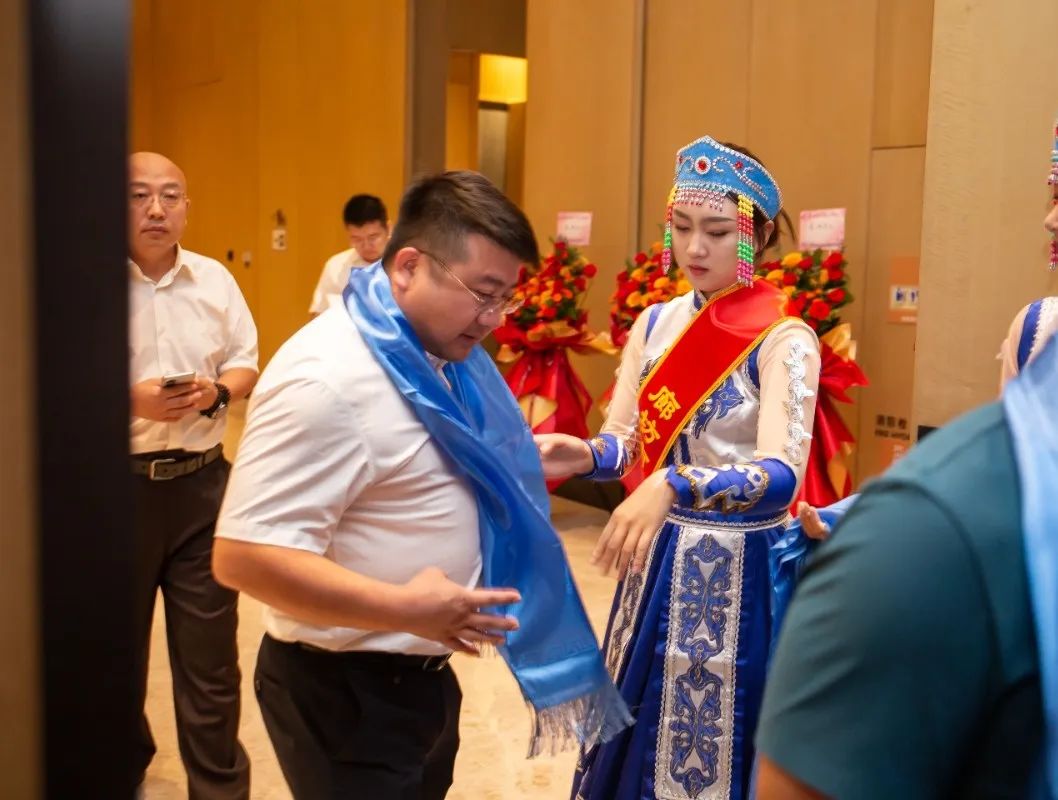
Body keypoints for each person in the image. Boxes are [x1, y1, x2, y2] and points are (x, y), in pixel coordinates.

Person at [212, 170, 631, 799]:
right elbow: (243, 557)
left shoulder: (434, 356)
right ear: (408, 266)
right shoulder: (326, 381)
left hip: (420, 674)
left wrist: (513, 461)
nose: (494, 319)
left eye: (506, 298)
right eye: (482, 293)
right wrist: (404, 608)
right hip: (346, 691)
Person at [754, 116, 1058, 800]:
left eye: (716, 231)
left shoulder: (786, 336)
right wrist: (857, 516)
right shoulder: (1036, 329)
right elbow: (1010, 472)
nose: (1048, 218)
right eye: (1051, 190)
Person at [536, 137, 821, 800]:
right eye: (682, 228)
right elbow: (627, 441)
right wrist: (585, 454)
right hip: (657, 558)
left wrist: (676, 482)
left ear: (757, 235)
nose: (696, 248)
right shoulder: (656, 322)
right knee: (637, 726)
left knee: (713, 734)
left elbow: (781, 476)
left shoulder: (783, 338)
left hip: (737, 573)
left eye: (717, 232)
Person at [128, 152, 258, 797]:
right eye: (139, 195)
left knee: (211, 664)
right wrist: (130, 401)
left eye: (170, 196)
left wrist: (217, 393)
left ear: (186, 208)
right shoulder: (79, 282)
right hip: (112, 493)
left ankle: (219, 789)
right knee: (110, 657)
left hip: (203, 488)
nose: (156, 208)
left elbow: (245, 361)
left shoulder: (214, 280)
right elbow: (47, 376)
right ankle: (121, 767)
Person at [308, 193, 389, 313]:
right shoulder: (336, 267)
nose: (366, 246)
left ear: (388, 228)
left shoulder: (406, 263)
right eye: (357, 239)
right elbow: (318, 313)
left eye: (373, 237)